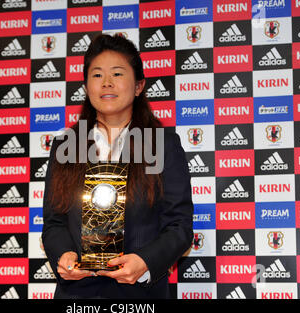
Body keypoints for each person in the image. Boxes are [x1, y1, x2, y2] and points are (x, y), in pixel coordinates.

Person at [42, 34, 193, 299]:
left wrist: (145, 262)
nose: (107, 83)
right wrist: (65, 255)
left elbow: (180, 226)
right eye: (97, 75)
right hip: (77, 296)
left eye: (118, 74)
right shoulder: (67, 145)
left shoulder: (162, 144)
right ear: (87, 87)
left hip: (140, 295)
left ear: (138, 86)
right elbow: (54, 222)